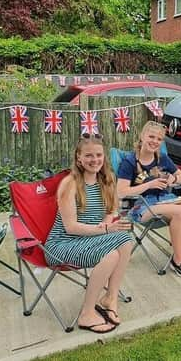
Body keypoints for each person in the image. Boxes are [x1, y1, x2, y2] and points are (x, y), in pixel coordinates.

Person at [45, 134, 133, 334]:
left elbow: (112, 211)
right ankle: (86, 313)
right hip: (63, 244)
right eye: (89, 156)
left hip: (92, 239)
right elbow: (70, 228)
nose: (95, 160)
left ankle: (110, 298)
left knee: (126, 240)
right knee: (110, 255)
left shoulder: (107, 179)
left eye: (99, 155)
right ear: (78, 158)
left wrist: (106, 224)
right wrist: (104, 230)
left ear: (104, 156)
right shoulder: (70, 183)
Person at [116, 121, 181, 278]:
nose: (154, 141)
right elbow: (121, 192)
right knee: (180, 211)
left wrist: (174, 178)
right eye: (151, 136)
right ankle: (177, 260)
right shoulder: (129, 162)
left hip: (165, 199)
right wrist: (149, 184)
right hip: (140, 205)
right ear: (142, 136)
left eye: (159, 139)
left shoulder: (162, 158)